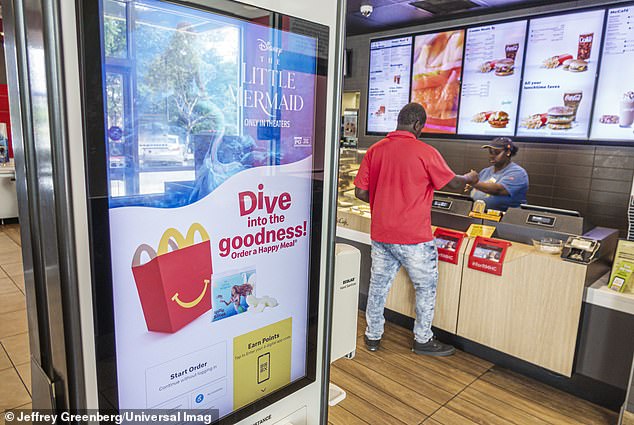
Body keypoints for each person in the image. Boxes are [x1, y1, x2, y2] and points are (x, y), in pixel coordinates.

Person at [354, 102, 479, 356]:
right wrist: (470, 179)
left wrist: (385, 202)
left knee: (378, 286)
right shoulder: (425, 152)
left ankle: (373, 336)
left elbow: (360, 192)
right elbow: (454, 184)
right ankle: (422, 339)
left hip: (381, 235)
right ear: (418, 125)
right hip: (414, 238)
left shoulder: (375, 151)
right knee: (425, 286)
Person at [469, 137, 529, 212]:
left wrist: (472, 182)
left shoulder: (518, 172)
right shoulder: (485, 172)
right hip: (480, 215)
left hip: (505, 219)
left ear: (508, 152)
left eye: (497, 152)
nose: (492, 156)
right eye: (490, 152)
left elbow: (498, 190)